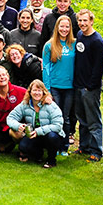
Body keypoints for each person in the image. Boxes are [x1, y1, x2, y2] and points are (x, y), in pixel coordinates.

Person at [7, 80, 64, 168]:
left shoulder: (51, 105)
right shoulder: (25, 104)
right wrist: (18, 125)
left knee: (52, 137)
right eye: (34, 90)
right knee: (23, 147)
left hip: (50, 135)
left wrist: (38, 131)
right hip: (34, 135)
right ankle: (38, 155)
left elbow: (58, 126)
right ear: (30, 92)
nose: (37, 93)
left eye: (39, 90)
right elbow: (10, 118)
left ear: (43, 92)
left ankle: (51, 160)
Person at [73, 9, 103, 163]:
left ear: (91, 21)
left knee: (93, 120)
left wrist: (90, 86)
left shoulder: (97, 41)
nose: (82, 24)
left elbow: (99, 67)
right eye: (80, 20)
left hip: (90, 88)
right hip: (78, 85)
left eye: (85, 21)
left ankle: (96, 150)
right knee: (82, 119)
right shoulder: (79, 36)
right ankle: (84, 146)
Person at [42, 16, 76, 155]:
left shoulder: (74, 44)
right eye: (61, 26)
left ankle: (64, 146)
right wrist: (47, 90)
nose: (64, 29)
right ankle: (54, 146)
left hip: (70, 87)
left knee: (66, 118)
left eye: (67, 27)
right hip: (55, 86)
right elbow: (45, 67)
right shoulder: (49, 45)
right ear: (57, 27)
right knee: (55, 117)